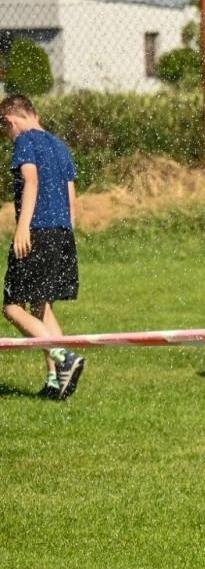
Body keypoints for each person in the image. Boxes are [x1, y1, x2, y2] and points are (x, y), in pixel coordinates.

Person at [1, 95, 85, 400]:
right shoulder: (60, 147)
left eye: (4, 130)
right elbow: (72, 199)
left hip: (36, 231)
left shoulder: (24, 141)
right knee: (42, 307)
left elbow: (31, 181)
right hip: (62, 234)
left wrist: (22, 227)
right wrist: (67, 237)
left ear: (10, 121)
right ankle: (54, 381)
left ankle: (65, 357)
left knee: (12, 306)